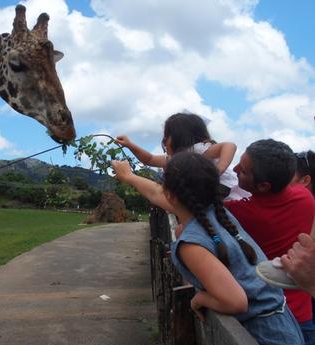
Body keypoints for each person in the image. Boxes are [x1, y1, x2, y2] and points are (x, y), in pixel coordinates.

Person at [111, 152, 304, 344]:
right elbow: (155, 193)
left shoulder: (192, 245)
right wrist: (128, 176)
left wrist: (199, 299)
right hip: (283, 326)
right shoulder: (220, 215)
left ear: (169, 194)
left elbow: (235, 301)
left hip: (263, 335)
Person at [224, 139, 315, 344]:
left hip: (270, 317)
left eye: (244, 170)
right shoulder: (304, 197)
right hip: (304, 313)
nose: (236, 168)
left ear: (264, 185)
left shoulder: (242, 214)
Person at [115, 112, 246, 199]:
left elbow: (229, 145)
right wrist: (130, 145)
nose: (164, 141)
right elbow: (150, 159)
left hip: (225, 191)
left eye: (167, 136)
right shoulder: (175, 159)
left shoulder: (198, 152)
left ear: (181, 136)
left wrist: (219, 169)